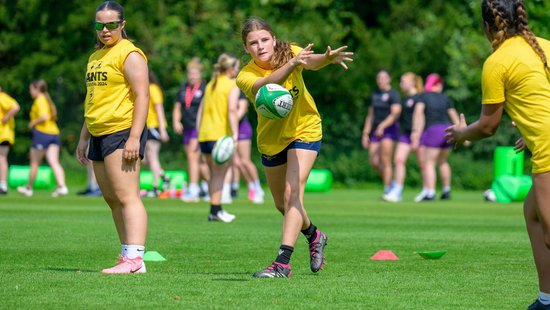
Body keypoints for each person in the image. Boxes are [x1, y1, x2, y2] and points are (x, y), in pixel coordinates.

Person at [446, 1, 550, 308]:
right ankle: (546, 300)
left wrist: (462, 133)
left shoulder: (498, 61)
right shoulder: (544, 47)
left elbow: (488, 126)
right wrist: (529, 130)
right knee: (533, 213)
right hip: (542, 141)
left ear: (487, 27)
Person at [237, 17, 353, 278]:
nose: (260, 46)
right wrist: (291, 65)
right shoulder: (245, 75)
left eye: (265, 39)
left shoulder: (291, 51)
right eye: (253, 43)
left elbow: (310, 62)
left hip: (305, 129)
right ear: (246, 48)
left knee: (293, 195)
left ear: (274, 38)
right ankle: (314, 235)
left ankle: (282, 263)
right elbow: (266, 85)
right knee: (282, 204)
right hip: (271, 141)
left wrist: (326, 58)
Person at [75, 1, 149, 274]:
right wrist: (83, 137)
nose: (105, 30)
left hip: (122, 130)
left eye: (111, 25)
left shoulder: (129, 54)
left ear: (122, 25)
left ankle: (136, 259)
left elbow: (143, 95)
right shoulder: (95, 57)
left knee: (127, 196)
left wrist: (134, 138)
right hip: (98, 132)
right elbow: (93, 100)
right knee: (111, 198)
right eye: (99, 25)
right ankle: (127, 254)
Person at [196, 53, 239, 223]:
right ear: (230, 69)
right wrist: (235, 134)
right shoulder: (232, 84)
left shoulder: (210, 85)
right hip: (219, 136)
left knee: (213, 175)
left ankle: (216, 210)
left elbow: (200, 111)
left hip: (205, 136)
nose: (237, 70)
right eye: (235, 67)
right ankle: (216, 211)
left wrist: (199, 132)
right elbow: (232, 110)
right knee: (219, 175)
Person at [17, 79, 69, 197]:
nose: (30, 92)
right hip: (54, 133)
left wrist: (32, 123)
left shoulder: (39, 100)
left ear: (37, 89)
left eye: (31, 89)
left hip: (42, 133)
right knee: (54, 161)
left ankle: (28, 188)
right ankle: (62, 186)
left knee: (34, 162)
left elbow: (44, 117)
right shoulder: (46, 99)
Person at [411, 73, 459, 202]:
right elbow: (454, 115)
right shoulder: (445, 98)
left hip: (433, 130)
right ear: (438, 85)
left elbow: (418, 113)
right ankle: (446, 190)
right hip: (448, 130)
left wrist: (416, 132)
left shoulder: (423, 97)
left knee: (429, 163)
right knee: (442, 161)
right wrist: (463, 133)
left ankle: (430, 192)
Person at [173, 57, 210, 202]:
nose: (192, 76)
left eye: (195, 74)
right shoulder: (183, 88)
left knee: (192, 157)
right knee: (199, 161)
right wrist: (176, 122)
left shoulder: (204, 88)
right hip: (187, 128)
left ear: (200, 75)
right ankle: (209, 186)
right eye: (190, 74)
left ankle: (193, 189)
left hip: (199, 128)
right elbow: (177, 107)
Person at [383, 72, 423, 202]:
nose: (401, 84)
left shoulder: (420, 97)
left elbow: (421, 117)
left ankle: (428, 190)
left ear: (412, 82)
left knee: (424, 164)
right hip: (406, 133)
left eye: (403, 81)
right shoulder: (405, 98)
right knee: (399, 160)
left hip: (421, 134)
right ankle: (397, 191)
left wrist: (416, 133)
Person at [361, 70, 402, 197]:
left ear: (389, 79)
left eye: (384, 77)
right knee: (374, 161)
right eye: (379, 78)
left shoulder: (393, 94)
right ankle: (391, 182)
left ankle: (388, 189)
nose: (381, 80)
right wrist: (365, 133)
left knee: (385, 160)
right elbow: (370, 114)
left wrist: (382, 126)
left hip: (389, 130)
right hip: (375, 131)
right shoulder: (375, 93)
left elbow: (395, 113)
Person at [233, 91, 265, 204]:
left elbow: (240, 111)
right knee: (236, 163)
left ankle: (258, 188)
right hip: (230, 129)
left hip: (241, 128)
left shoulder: (240, 92)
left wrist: (228, 122)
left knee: (245, 161)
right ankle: (251, 186)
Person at [142, 70, 169, 197]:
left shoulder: (153, 89)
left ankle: (156, 186)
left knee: (152, 157)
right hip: (144, 127)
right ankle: (164, 176)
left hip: (153, 127)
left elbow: (159, 109)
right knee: (145, 159)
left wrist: (162, 130)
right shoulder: (142, 89)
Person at [0, 86, 20, 195]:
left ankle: (3, 185)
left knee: (1, 158)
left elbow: (16, 107)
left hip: (3, 134)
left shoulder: (2, 97)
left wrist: (6, 118)